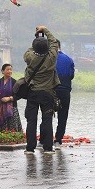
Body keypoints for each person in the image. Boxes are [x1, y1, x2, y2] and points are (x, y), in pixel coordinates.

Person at [22, 25, 59, 154]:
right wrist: (45, 30)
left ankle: (30, 148)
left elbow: (29, 51)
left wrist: (36, 39)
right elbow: (54, 42)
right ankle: (48, 148)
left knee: (31, 121)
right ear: (47, 47)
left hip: (32, 93)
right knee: (47, 120)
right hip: (47, 93)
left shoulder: (29, 57)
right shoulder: (52, 57)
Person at [54, 39, 75, 149]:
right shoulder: (69, 59)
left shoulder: (49, 59)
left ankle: (44, 140)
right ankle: (58, 140)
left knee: (47, 114)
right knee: (63, 115)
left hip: (51, 90)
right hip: (65, 90)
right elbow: (71, 75)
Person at [0, 63, 22, 132]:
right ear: (2, 71)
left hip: (12, 108)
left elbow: (19, 95)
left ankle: (13, 138)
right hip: (0, 108)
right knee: (0, 127)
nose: (10, 71)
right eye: (7, 69)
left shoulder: (15, 82)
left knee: (12, 126)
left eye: (11, 70)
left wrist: (9, 98)